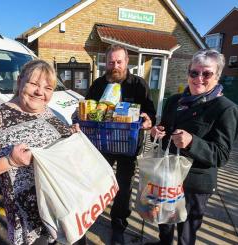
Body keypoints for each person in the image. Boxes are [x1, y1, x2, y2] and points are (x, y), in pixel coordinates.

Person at [0, 60, 84, 245]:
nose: (40, 92)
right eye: (33, 83)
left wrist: (71, 138)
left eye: (48, 88)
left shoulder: (51, 113)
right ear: (19, 82)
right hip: (34, 227)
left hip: (66, 211)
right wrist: (9, 161)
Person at [146, 49, 238, 245]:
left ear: (217, 76)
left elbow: (221, 155)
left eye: (206, 73)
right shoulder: (174, 101)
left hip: (195, 183)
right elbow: (165, 131)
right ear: (188, 73)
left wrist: (192, 142)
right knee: (164, 218)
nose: (199, 78)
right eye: (194, 73)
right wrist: (157, 132)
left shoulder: (227, 109)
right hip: (168, 173)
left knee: (186, 231)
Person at [85, 44, 156, 244]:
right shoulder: (98, 85)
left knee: (124, 187)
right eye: (111, 62)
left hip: (128, 145)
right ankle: (91, 214)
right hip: (102, 143)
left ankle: (118, 224)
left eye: (119, 61)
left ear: (126, 63)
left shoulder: (138, 84)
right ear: (105, 63)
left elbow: (150, 112)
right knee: (98, 181)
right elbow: (87, 108)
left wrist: (148, 120)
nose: (115, 65)